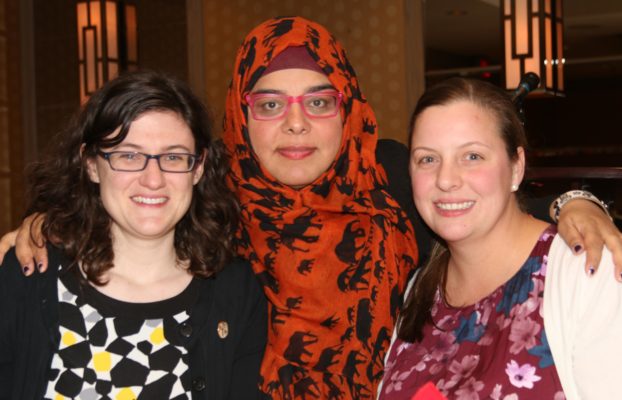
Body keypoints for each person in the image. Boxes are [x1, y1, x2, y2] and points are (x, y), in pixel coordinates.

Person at [1, 16, 621, 400]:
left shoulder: (392, 177)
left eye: (319, 102)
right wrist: (47, 227)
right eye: (269, 104)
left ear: (347, 108)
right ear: (241, 118)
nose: (295, 124)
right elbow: (134, 203)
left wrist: (578, 202)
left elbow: (486, 201)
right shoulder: (212, 203)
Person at [0, 71, 267, 399]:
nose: (153, 179)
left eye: (173, 157)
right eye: (129, 156)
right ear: (92, 165)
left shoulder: (235, 290)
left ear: (198, 168)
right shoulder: (28, 277)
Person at [378, 77, 622, 399]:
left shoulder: (588, 270)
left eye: (473, 156)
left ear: (517, 167)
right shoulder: (418, 292)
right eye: (428, 159)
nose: (446, 179)